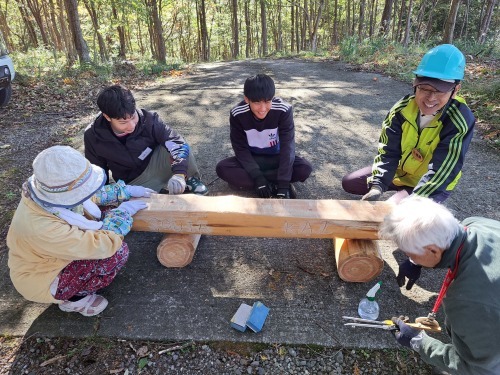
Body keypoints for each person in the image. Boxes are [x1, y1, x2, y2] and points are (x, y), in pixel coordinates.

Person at [6, 146, 149, 316]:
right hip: (43, 276)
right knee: (116, 253)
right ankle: (73, 299)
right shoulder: (43, 228)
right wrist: (122, 214)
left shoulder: (49, 189)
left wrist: (124, 192)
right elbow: (103, 245)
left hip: (54, 253)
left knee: (106, 211)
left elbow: (87, 194)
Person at [379, 196, 500, 375]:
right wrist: (415, 262)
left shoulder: (468, 300)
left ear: (433, 250)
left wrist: (420, 342)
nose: (408, 257)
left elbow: (481, 369)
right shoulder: (478, 225)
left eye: (409, 253)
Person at [342, 44, 475, 204]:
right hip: (401, 174)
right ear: (415, 85)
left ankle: (410, 197)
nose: (431, 98)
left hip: (431, 182)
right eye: (424, 89)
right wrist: (378, 184)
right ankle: (395, 189)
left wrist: (417, 200)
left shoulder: (459, 119)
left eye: (440, 91)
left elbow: (444, 170)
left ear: (455, 90)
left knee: (394, 210)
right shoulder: (401, 110)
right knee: (350, 182)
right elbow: (388, 152)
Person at [84, 84, 208, 196]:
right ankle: (160, 191)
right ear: (107, 117)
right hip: (134, 180)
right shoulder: (93, 136)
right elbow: (97, 172)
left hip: (158, 164)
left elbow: (176, 142)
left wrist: (180, 174)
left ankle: (189, 180)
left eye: (133, 117)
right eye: (123, 122)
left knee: (177, 144)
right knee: (149, 203)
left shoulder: (149, 119)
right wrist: (105, 196)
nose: (131, 126)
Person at [216, 73, 313, 198]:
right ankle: (268, 183)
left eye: (267, 102)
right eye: (257, 102)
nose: (262, 109)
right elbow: (240, 148)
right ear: (247, 99)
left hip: (276, 158)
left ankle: (265, 183)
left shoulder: (283, 110)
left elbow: (287, 147)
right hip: (253, 159)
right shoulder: (237, 113)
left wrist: (283, 185)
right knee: (222, 168)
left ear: (272, 98)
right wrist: (258, 177)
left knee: (304, 168)